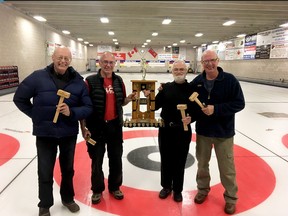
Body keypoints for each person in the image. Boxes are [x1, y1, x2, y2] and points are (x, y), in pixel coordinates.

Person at [13, 46, 93, 216]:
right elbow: (19, 98)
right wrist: (36, 115)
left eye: (66, 58)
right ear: (53, 57)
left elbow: (87, 107)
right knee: (44, 170)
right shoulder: (38, 77)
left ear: (70, 60)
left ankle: (67, 198)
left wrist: (71, 112)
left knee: (68, 169)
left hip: (68, 134)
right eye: (60, 57)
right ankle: (45, 204)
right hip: (45, 133)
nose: (63, 61)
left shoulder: (78, 81)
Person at [190, 50, 245, 214]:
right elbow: (190, 103)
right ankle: (202, 190)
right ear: (201, 63)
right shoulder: (198, 81)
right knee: (202, 165)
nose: (209, 64)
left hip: (224, 133)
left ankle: (231, 198)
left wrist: (217, 109)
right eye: (205, 61)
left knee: (227, 168)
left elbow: (239, 103)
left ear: (218, 60)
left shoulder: (229, 80)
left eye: (212, 60)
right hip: (203, 132)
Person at [80, 51, 136, 204]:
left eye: (111, 62)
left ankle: (115, 187)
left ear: (115, 64)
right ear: (99, 62)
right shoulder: (90, 82)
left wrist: (128, 99)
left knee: (116, 159)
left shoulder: (118, 81)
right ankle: (97, 190)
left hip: (114, 127)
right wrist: (83, 128)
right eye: (105, 62)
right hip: (96, 127)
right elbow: (84, 106)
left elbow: (121, 102)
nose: (108, 65)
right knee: (96, 160)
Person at [143, 60, 193, 202]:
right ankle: (166, 186)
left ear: (186, 70)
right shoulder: (166, 88)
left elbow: (196, 110)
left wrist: (191, 118)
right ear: (172, 71)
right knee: (166, 159)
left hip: (183, 131)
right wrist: (149, 97)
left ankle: (177, 189)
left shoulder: (192, 89)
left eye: (181, 69)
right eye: (176, 69)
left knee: (180, 160)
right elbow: (154, 106)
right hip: (166, 130)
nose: (179, 72)